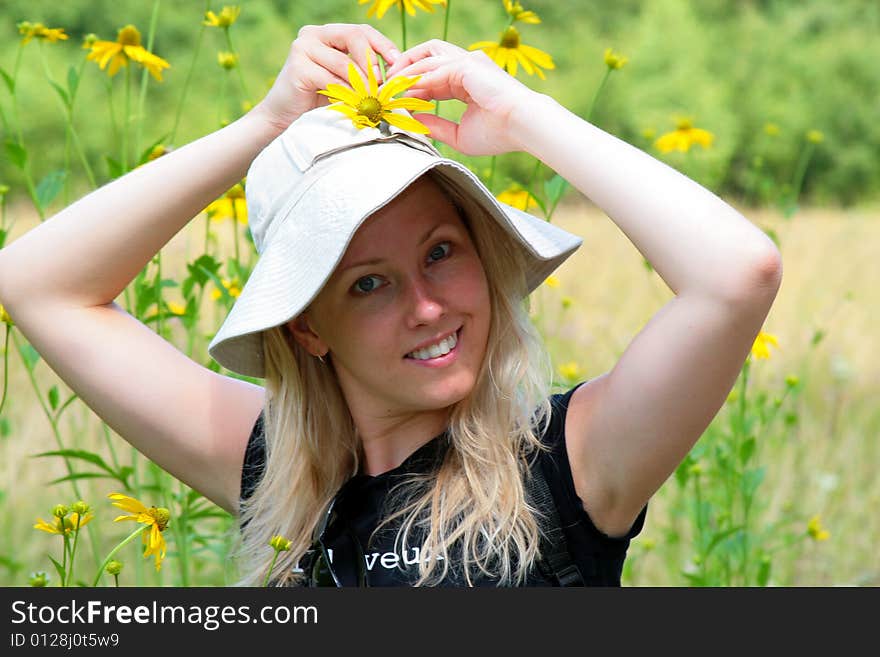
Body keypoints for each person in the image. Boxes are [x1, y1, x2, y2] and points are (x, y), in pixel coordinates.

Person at [0, 24, 782, 587]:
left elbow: (737, 273)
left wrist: (522, 117)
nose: (427, 305)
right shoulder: (278, 470)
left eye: (442, 250)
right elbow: (36, 285)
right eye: (367, 282)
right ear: (307, 324)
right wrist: (266, 128)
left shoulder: (565, 467)